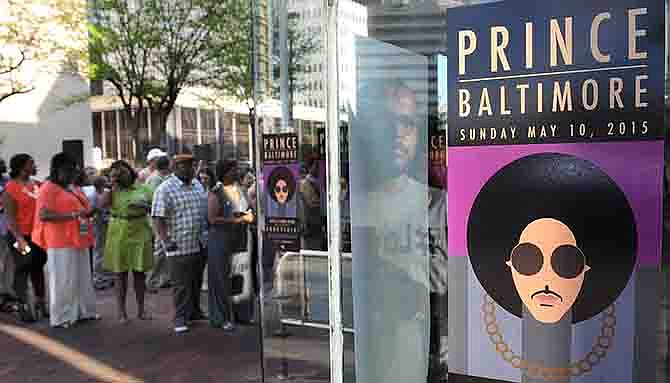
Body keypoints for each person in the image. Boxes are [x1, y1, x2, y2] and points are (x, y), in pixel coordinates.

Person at [32, 153, 99, 328]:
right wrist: (73, 215)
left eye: (74, 170)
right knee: (62, 280)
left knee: (81, 277)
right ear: (58, 169)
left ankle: (83, 311)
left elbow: (82, 206)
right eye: (69, 170)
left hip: (79, 237)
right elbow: (44, 215)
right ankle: (62, 316)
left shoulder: (71, 187)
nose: (73, 174)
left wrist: (88, 211)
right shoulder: (48, 188)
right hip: (59, 241)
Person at [151, 153, 208, 334]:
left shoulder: (197, 185)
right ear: (176, 168)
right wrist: (165, 240)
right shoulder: (165, 189)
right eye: (186, 166)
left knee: (195, 281)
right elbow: (158, 217)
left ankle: (194, 312)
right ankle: (180, 317)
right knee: (181, 284)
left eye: (192, 165)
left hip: (198, 242)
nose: (191, 169)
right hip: (178, 244)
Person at [101, 160, 154, 323]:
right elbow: (103, 205)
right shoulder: (112, 190)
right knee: (120, 274)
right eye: (116, 173)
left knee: (139, 273)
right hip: (119, 231)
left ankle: (141, 310)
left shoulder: (144, 187)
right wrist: (111, 186)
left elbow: (154, 206)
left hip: (140, 230)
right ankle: (121, 312)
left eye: (123, 172)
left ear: (130, 172)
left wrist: (145, 205)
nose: (120, 175)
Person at [207, 159, 254, 331]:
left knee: (240, 276)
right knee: (221, 278)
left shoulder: (240, 189)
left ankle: (242, 315)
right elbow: (212, 218)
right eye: (233, 170)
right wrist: (235, 220)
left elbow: (249, 209)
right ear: (225, 172)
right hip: (221, 240)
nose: (236, 172)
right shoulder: (216, 192)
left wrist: (248, 216)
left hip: (240, 238)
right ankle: (222, 318)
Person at [3, 154, 48, 322]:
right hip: (19, 236)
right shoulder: (10, 188)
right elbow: (10, 218)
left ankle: (40, 303)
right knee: (24, 266)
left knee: (38, 266)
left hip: (37, 235)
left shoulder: (36, 184)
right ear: (21, 167)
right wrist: (19, 239)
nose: (34, 165)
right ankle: (23, 306)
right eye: (31, 163)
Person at [145, 155, 172, 292]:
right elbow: (153, 200)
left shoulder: (158, 177)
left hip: (160, 218)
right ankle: (150, 281)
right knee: (160, 250)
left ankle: (163, 279)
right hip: (157, 218)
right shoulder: (155, 179)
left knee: (163, 250)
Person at [0, 158, 16, 311]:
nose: (4, 166)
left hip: (11, 229)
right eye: (1, 163)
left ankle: (8, 292)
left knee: (10, 260)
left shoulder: (9, 182)